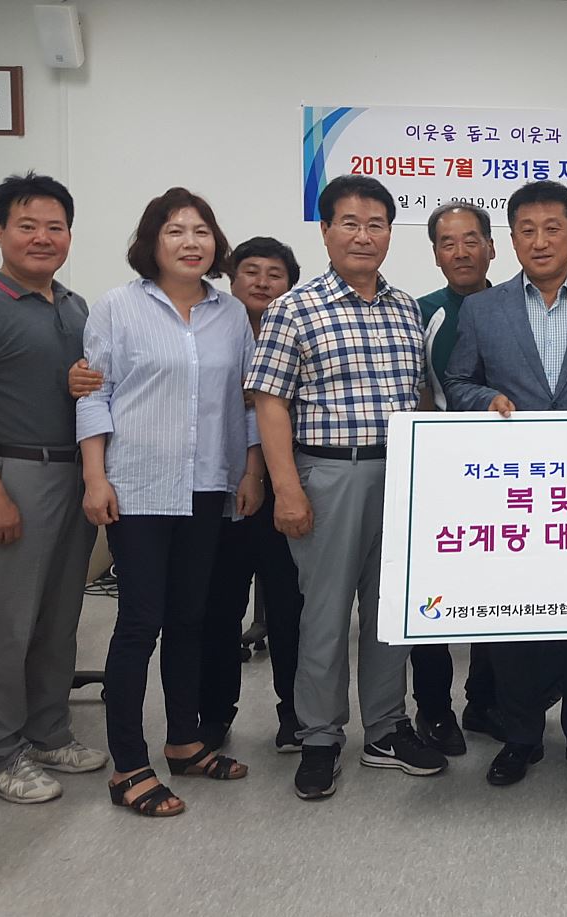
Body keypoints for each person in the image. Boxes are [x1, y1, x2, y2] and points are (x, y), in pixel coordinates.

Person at [246, 175, 448, 801]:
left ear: (389, 233)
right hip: (328, 476)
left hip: (401, 476)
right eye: (350, 223)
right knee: (326, 614)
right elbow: (270, 403)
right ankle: (319, 736)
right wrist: (286, 488)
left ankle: (385, 729)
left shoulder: (406, 308)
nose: (364, 236)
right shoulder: (294, 308)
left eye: (376, 224)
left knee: (392, 612)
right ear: (326, 231)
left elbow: (419, 394)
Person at [444, 180, 567, 788]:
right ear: (511, 240)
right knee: (516, 622)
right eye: (526, 231)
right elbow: (458, 382)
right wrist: (487, 401)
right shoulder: (483, 309)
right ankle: (521, 737)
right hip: (514, 497)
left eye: (553, 229)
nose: (540, 241)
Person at [78, 188, 263, 817]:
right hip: (137, 486)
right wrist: (95, 477)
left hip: (208, 484)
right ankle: (127, 765)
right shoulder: (117, 307)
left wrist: (250, 470)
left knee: (191, 617)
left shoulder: (230, 314)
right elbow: (94, 395)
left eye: (201, 230)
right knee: (139, 622)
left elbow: (247, 401)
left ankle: (184, 742)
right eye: (176, 231)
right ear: (152, 242)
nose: (191, 242)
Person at [0, 172, 106, 804]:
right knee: (8, 622)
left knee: (59, 617)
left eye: (55, 227)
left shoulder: (76, 307)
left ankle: (48, 731)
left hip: (71, 473)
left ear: (69, 236)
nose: (42, 238)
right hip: (13, 474)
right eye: (27, 226)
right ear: (0, 232)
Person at [200, 237, 306, 753]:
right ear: (231, 276)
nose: (262, 282)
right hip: (220, 490)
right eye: (251, 271)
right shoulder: (209, 328)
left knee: (289, 609)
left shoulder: (299, 327)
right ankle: (215, 714)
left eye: (275, 274)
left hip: (286, 488)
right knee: (219, 608)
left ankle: (295, 714)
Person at [411, 202, 500, 754]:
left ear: (492, 246)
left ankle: (484, 702)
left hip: (507, 477)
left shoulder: (516, 304)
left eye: (471, 240)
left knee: (495, 593)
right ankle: (434, 709)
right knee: (435, 599)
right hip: (442, 473)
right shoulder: (421, 312)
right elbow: (418, 391)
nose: (461, 252)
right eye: (448, 242)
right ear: (436, 254)